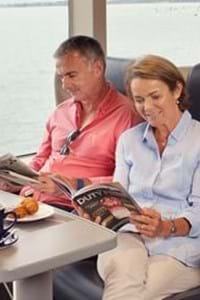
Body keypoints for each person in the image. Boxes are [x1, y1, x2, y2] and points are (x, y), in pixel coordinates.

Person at [95, 55, 200, 300]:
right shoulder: (128, 141)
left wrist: (165, 226)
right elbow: (118, 196)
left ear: (176, 89)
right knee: (125, 272)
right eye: (139, 100)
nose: (147, 108)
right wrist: (100, 212)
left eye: (155, 96)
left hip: (180, 248)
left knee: (130, 293)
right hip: (129, 236)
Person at [18, 35, 140, 211]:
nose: (65, 85)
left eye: (71, 75)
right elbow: (40, 159)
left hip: (77, 210)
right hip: (32, 202)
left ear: (97, 68)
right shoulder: (60, 112)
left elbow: (131, 178)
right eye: (61, 77)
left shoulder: (128, 116)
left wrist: (71, 185)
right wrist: (15, 179)